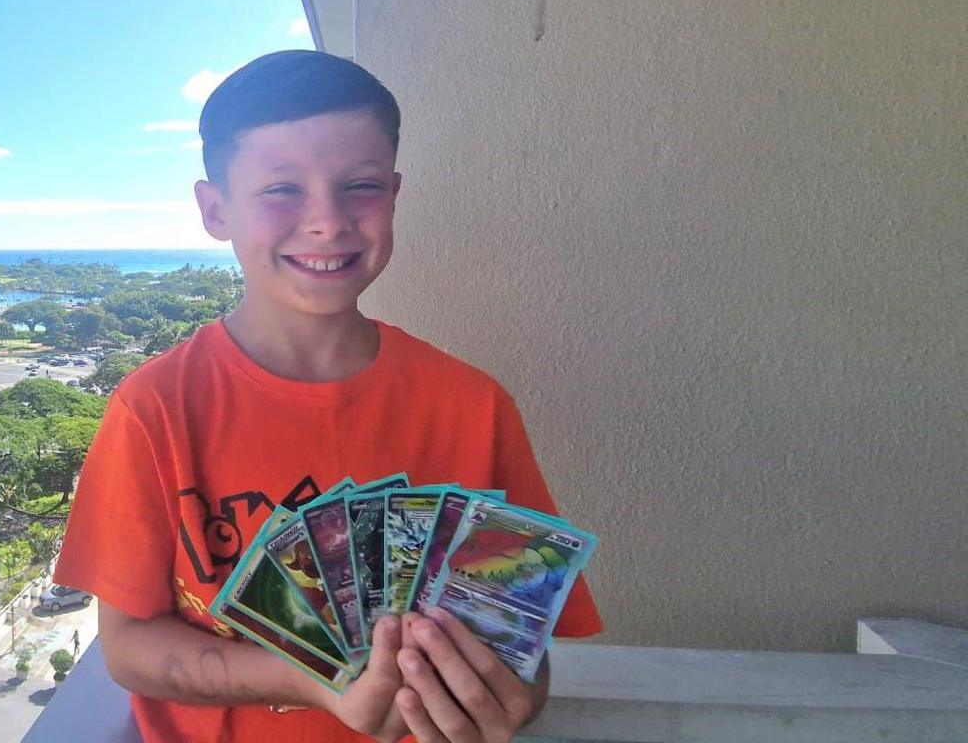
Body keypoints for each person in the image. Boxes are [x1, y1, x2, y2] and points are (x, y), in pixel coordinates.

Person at [54, 50, 602, 743]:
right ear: (214, 209)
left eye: (361, 186)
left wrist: (502, 695)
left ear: (395, 195)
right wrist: (312, 681)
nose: (327, 221)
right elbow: (129, 646)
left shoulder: (473, 406)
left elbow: (522, 650)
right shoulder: (154, 410)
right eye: (283, 189)